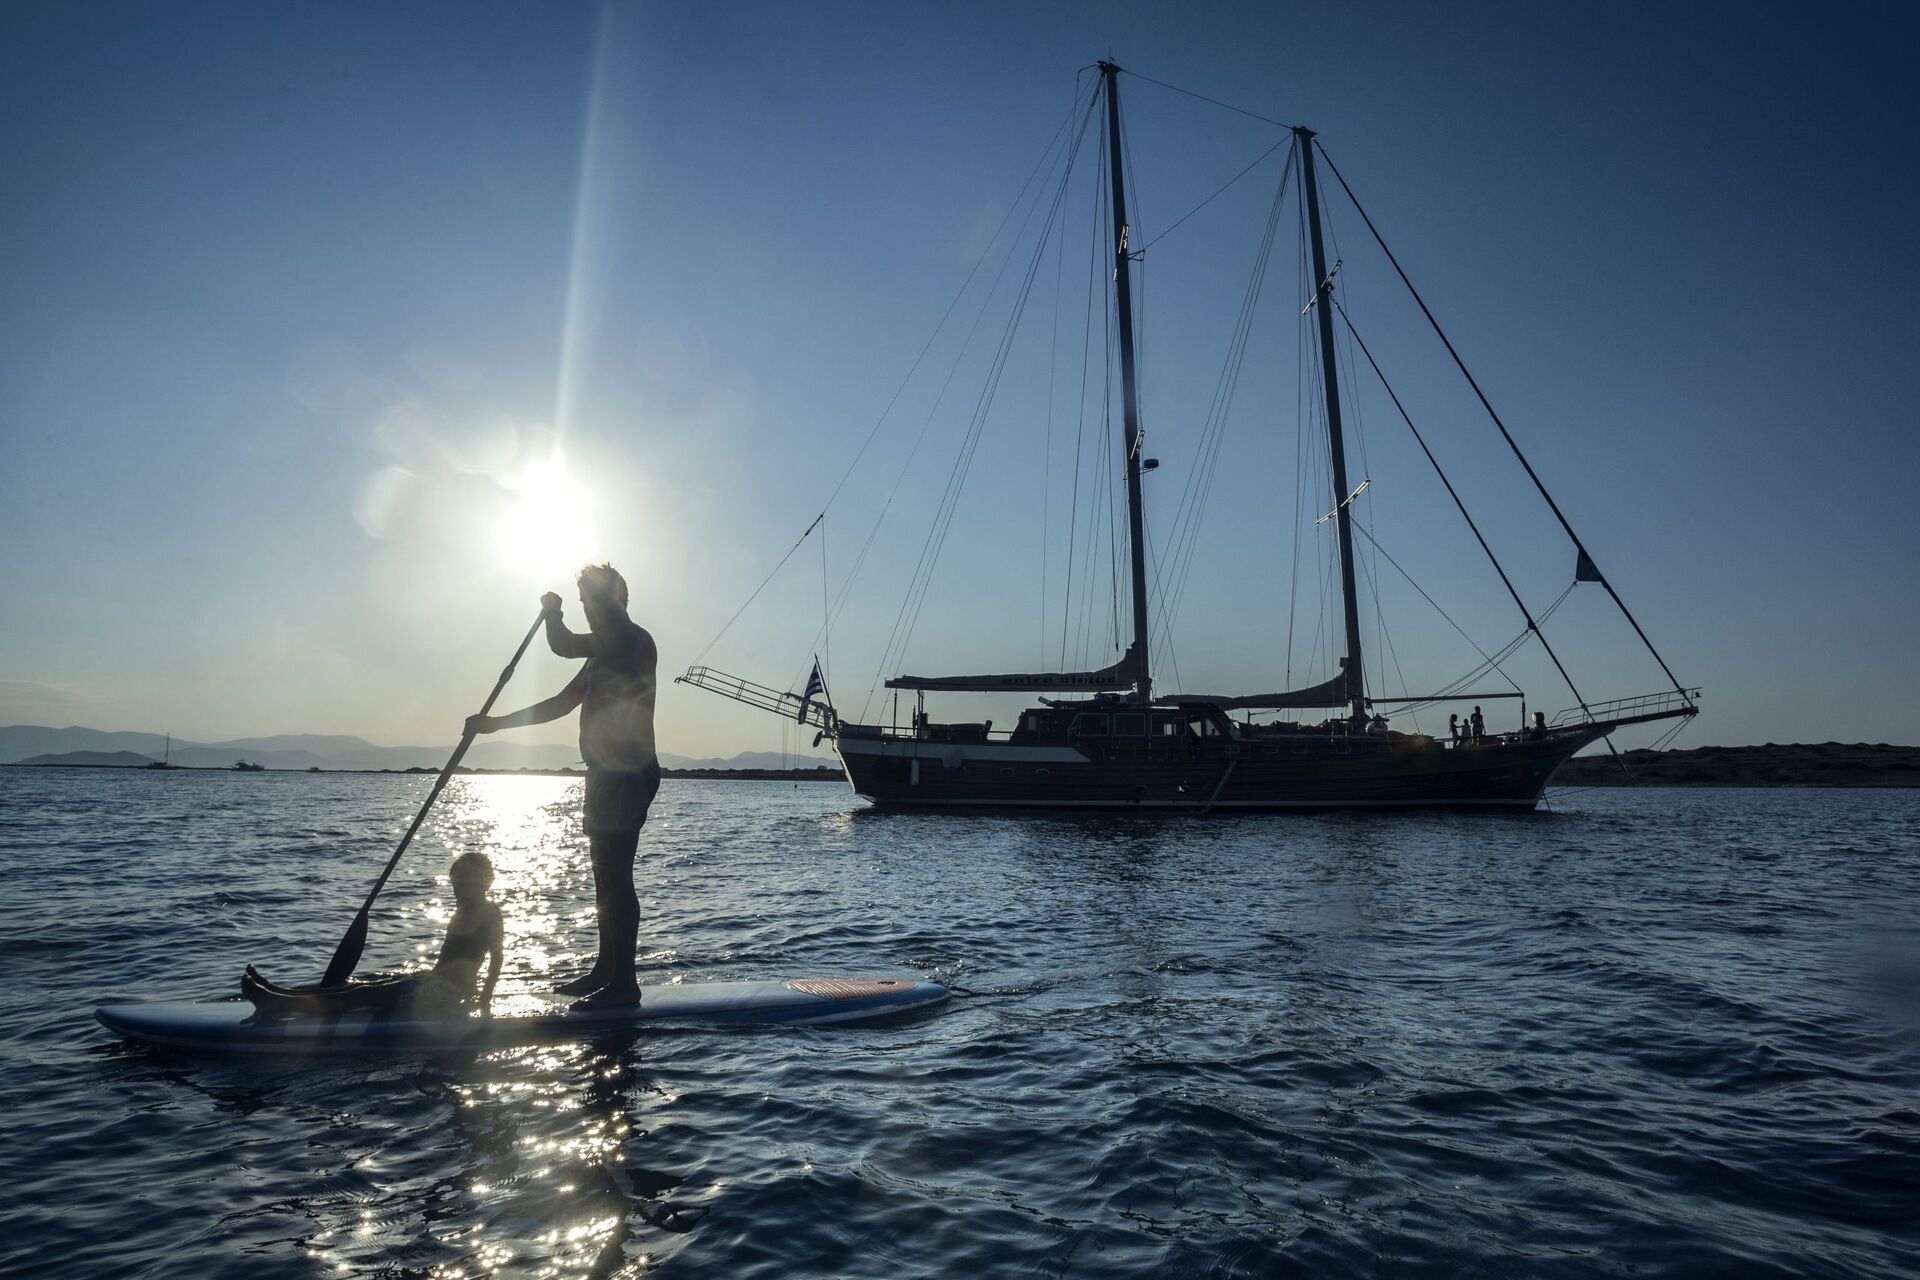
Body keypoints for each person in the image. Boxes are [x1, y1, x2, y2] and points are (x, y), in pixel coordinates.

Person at [467, 564, 658, 1010]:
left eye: (591, 601)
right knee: (602, 878)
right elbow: (558, 704)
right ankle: (606, 970)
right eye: (582, 603)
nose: (587, 610)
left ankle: (624, 986)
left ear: (616, 598)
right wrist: (496, 725)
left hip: (627, 773)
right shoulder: (598, 655)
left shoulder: (631, 639)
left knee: (615, 877)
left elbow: (562, 644)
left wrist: (551, 613)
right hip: (601, 774)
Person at [243, 851, 504, 1017]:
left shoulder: (489, 912)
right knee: (360, 984)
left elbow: (496, 958)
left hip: (449, 993)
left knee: (360, 996)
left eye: (461, 885)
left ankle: (275, 1004)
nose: (456, 890)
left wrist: (484, 1000)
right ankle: (278, 992)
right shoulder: (462, 911)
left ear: (482, 883)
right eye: (454, 884)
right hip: (433, 983)